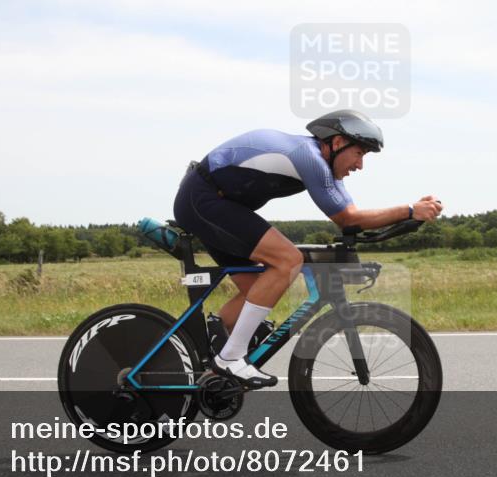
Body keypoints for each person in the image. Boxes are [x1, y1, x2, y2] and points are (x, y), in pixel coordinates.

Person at [172, 109, 443, 388]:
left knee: (257, 288)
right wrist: (409, 210)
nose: (360, 165)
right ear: (338, 143)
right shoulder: (308, 156)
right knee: (289, 260)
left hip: (218, 205)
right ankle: (230, 358)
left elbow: (351, 217)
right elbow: (347, 219)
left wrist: (408, 217)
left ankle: (212, 354)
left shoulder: (324, 167)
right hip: (203, 199)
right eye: (360, 153)